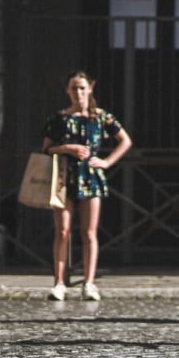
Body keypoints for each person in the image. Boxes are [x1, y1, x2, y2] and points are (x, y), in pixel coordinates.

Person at [42, 70, 132, 301]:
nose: (78, 92)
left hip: (90, 176)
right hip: (64, 176)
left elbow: (125, 140)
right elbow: (46, 148)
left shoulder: (101, 117)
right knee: (62, 230)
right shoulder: (59, 118)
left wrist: (106, 162)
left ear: (90, 88)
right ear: (67, 91)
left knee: (89, 232)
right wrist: (67, 148)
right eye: (73, 87)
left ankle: (89, 283)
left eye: (82, 87)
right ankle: (59, 281)